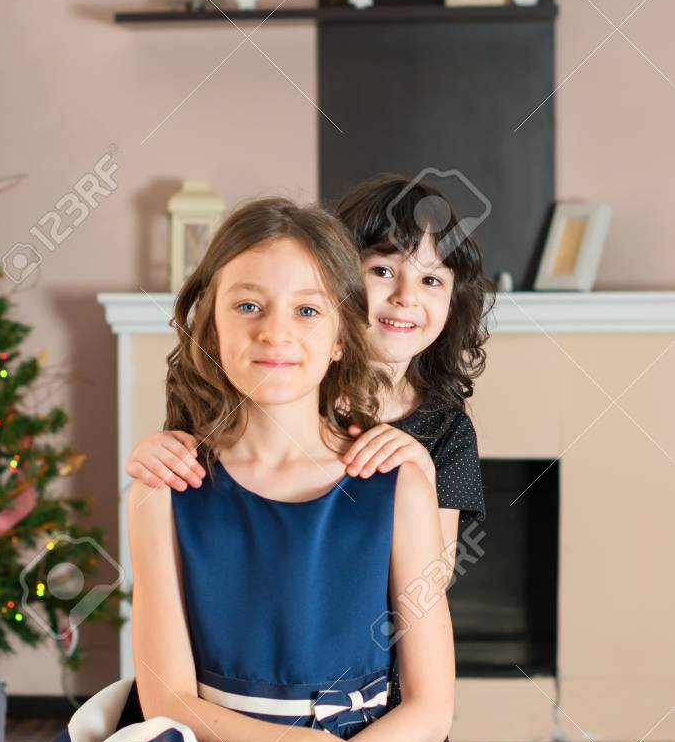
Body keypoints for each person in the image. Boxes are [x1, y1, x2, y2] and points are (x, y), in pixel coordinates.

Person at [0, 196, 584, 742]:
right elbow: (168, 695)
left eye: (307, 311)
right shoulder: (164, 488)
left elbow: (431, 707)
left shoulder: (400, 478)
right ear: (210, 324)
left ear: (343, 334)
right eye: (248, 305)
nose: (275, 332)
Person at [126, 174, 493, 706]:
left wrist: (419, 470)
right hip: (231, 694)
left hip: (372, 688)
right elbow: (196, 494)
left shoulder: (441, 432)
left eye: (432, 280)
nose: (405, 296)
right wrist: (153, 453)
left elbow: (423, 590)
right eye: (383, 270)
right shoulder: (278, 386)